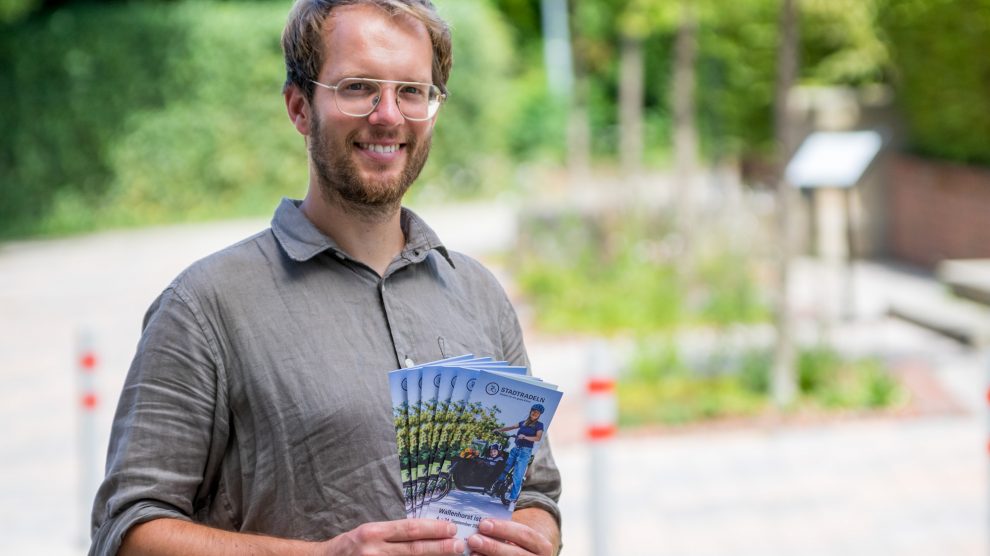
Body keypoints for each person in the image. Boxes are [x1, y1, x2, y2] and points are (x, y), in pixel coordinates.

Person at [88, 1, 561, 555]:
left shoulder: (479, 294)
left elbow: (536, 497)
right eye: (359, 87)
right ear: (299, 107)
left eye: (413, 91)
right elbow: (127, 531)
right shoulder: (205, 306)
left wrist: (532, 542)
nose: (389, 115)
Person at [489, 405, 546, 503]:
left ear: (539, 415)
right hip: (515, 449)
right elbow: (511, 427)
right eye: (534, 411)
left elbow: (538, 438)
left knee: (517, 475)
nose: (535, 413)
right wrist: (499, 430)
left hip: (525, 451)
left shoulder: (539, 425)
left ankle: (512, 498)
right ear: (531, 411)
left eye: (537, 413)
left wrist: (525, 437)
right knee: (504, 469)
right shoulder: (523, 423)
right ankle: (495, 488)